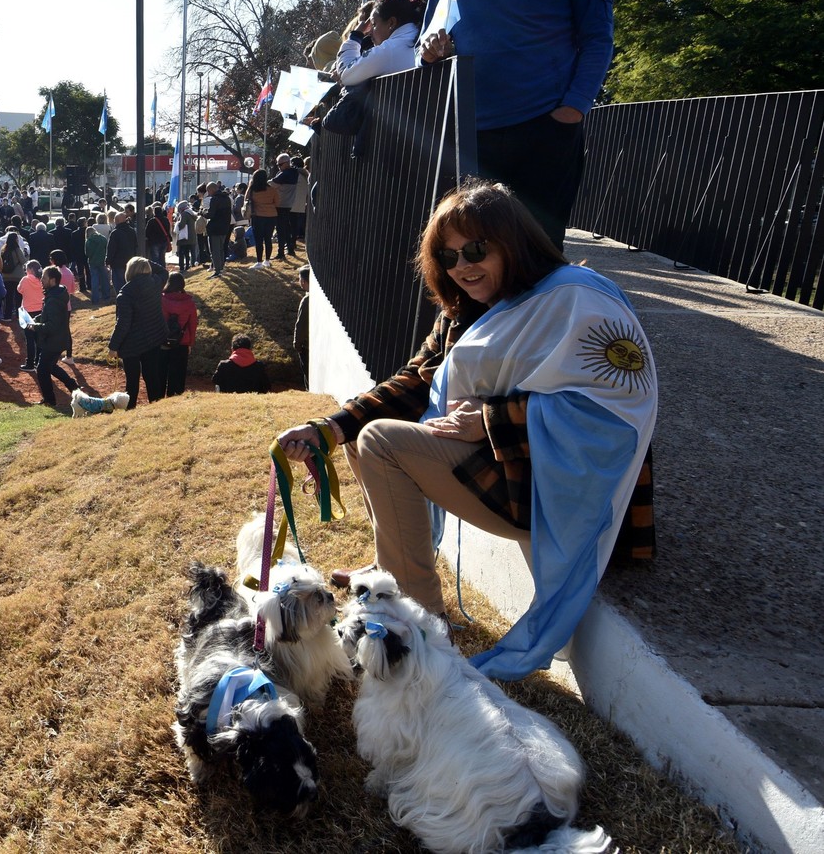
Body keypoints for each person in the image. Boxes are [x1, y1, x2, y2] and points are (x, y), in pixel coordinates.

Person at [277, 180, 656, 680]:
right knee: (363, 433)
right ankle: (392, 576)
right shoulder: (463, 309)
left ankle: (416, 629)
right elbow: (416, 379)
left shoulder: (576, 300)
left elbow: (612, 407)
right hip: (495, 471)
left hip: (548, 487)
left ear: (513, 242)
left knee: (380, 442)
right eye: (448, 256)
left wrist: (492, 420)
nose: (463, 267)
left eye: (476, 249)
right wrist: (329, 427)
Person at [419, 0, 614, 249]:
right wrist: (429, 51)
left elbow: (598, 36)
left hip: (547, 129)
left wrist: (573, 108)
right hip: (473, 137)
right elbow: (423, 47)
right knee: (473, 250)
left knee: (537, 255)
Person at [108, 256, 168, 409]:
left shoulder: (125, 293)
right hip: (153, 337)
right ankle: (157, 408)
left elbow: (123, 323)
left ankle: (131, 410)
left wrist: (113, 346)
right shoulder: (155, 283)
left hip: (131, 344)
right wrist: (146, 261)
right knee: (152, 376)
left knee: (132, 381)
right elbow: (163, 270)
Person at [336, 0, 422, 87]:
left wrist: (356, 36)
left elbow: (345, 75)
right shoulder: (420, 37)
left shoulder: (389, 50)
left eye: (373, 24)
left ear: (391, 23)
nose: (369, 32)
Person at [29, 265, 79, 410]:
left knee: (42, 369)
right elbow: (49, 317)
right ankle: (73, 386)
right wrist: (36, 318)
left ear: (52, 280)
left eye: (44, 278)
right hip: (57, 339)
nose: (41, 280)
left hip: (53, 341)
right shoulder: (56, 294)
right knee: (50, 366)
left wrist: (35, 326)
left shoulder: (53, 299)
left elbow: (52, 325)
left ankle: (50, 400)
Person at [160, 272, 198, 397]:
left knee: (162, 371)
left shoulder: (162, 299)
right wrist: (190, 343)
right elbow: (193, 324)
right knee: (179, 373)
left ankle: (160, 398)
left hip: (163, 341)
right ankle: (176, 396)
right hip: (182, 341)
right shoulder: (189, 302)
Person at [246, 169, 281, 268]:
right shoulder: (272, 189)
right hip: (271, 215)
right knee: (268, 238)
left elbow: (246, 199)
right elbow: (278, 202)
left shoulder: (253, 189)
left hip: (257, 216)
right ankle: (267, 260)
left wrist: (250, 185)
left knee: (258, 239)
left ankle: (259, 261)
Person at [16, 259, 45, 371]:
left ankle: (30, 363)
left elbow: (19, 290)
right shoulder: (42, 280)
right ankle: (38, 361)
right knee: (39, 338)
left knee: (29, 339)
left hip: (28, 312)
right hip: (40, 311)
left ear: (31, 270)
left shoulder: (25, 280)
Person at [205, 182, 233, 277]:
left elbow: (211, 215)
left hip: (215, 228)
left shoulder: (214, 199)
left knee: (215, 250)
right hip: (225, 227)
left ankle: (217, 271)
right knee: (221, 249)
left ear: (212, 189)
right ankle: (221, 268)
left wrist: (203, 213)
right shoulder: (227, 198)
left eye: (208, 190)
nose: (208, 193)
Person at [292, 267, 311, 391]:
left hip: (307, 346)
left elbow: (301, 325)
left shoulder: (307, 300)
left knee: (307, 374)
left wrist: (297, 344)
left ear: (303, 281)